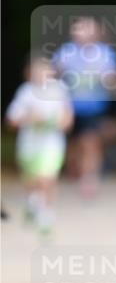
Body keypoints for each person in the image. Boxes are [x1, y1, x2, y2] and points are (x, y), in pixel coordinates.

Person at [5, 56, 73, 236]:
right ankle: (32, 203)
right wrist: (29, 118)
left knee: (47, 179)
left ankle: (46, 217)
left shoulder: (59, 90)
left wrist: (62, 122)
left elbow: (67, 116)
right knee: (32, 181)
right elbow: (11, 120)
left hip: (51, 144)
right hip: (29, 145)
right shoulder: (25, 92)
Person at [51, 16, 116, 198]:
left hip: (94, 107)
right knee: (74, 146)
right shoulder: (65, 52)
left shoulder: (104, 53)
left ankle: (89, 179)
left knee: (90, 143)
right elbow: (52, 75)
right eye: (78, 29)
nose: (80, 33)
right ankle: (75, 171)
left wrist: (104, 75)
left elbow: (112, 79)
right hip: (68, 107)